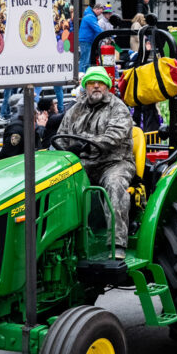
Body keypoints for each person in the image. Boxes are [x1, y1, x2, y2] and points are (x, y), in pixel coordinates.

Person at [57, 66, 135, 258]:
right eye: (92, 83)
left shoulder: (118, 108)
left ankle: (117, 244)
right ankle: (64, 243)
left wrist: (84, 146)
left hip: (114, 162)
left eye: (100, 82)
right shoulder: (75, 110)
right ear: (86, 87)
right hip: (82, 163)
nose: (96, 86)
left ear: (107, 86)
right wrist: (64, 149)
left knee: (114, 185)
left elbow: (113, 137)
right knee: (57, 184)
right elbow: (60, 137)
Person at [79, 4, 105, 74]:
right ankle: (81, 76)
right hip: (86, 40)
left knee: (86, 60)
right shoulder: (90, 17)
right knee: (85, 60)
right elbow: (97, 29)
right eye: (100, 12)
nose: (100, 14)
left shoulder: (90, 16)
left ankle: (83, 75)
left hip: (87, 40)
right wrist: (107, 34)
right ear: (96, 9)